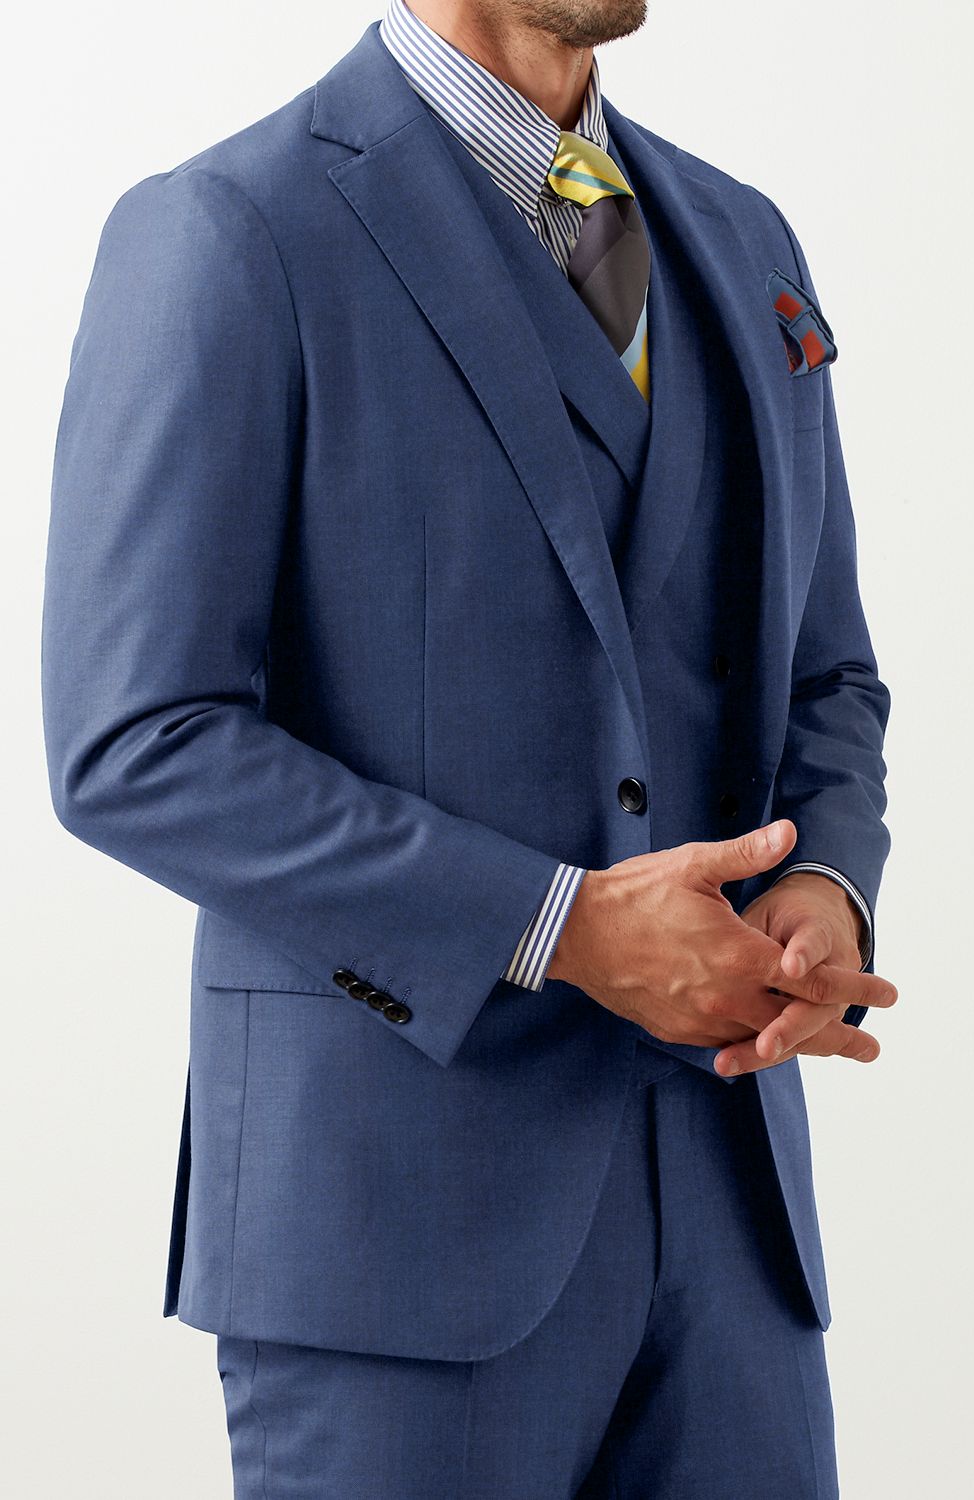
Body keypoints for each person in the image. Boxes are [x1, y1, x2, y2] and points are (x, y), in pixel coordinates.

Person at [41, 2, 898, 1494]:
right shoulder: (231, 230)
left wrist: (824, 879)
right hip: (392, 1238)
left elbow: (827, 671)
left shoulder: (741, 234)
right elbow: (137, 739)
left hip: (733, 1233)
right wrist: (558, 926)